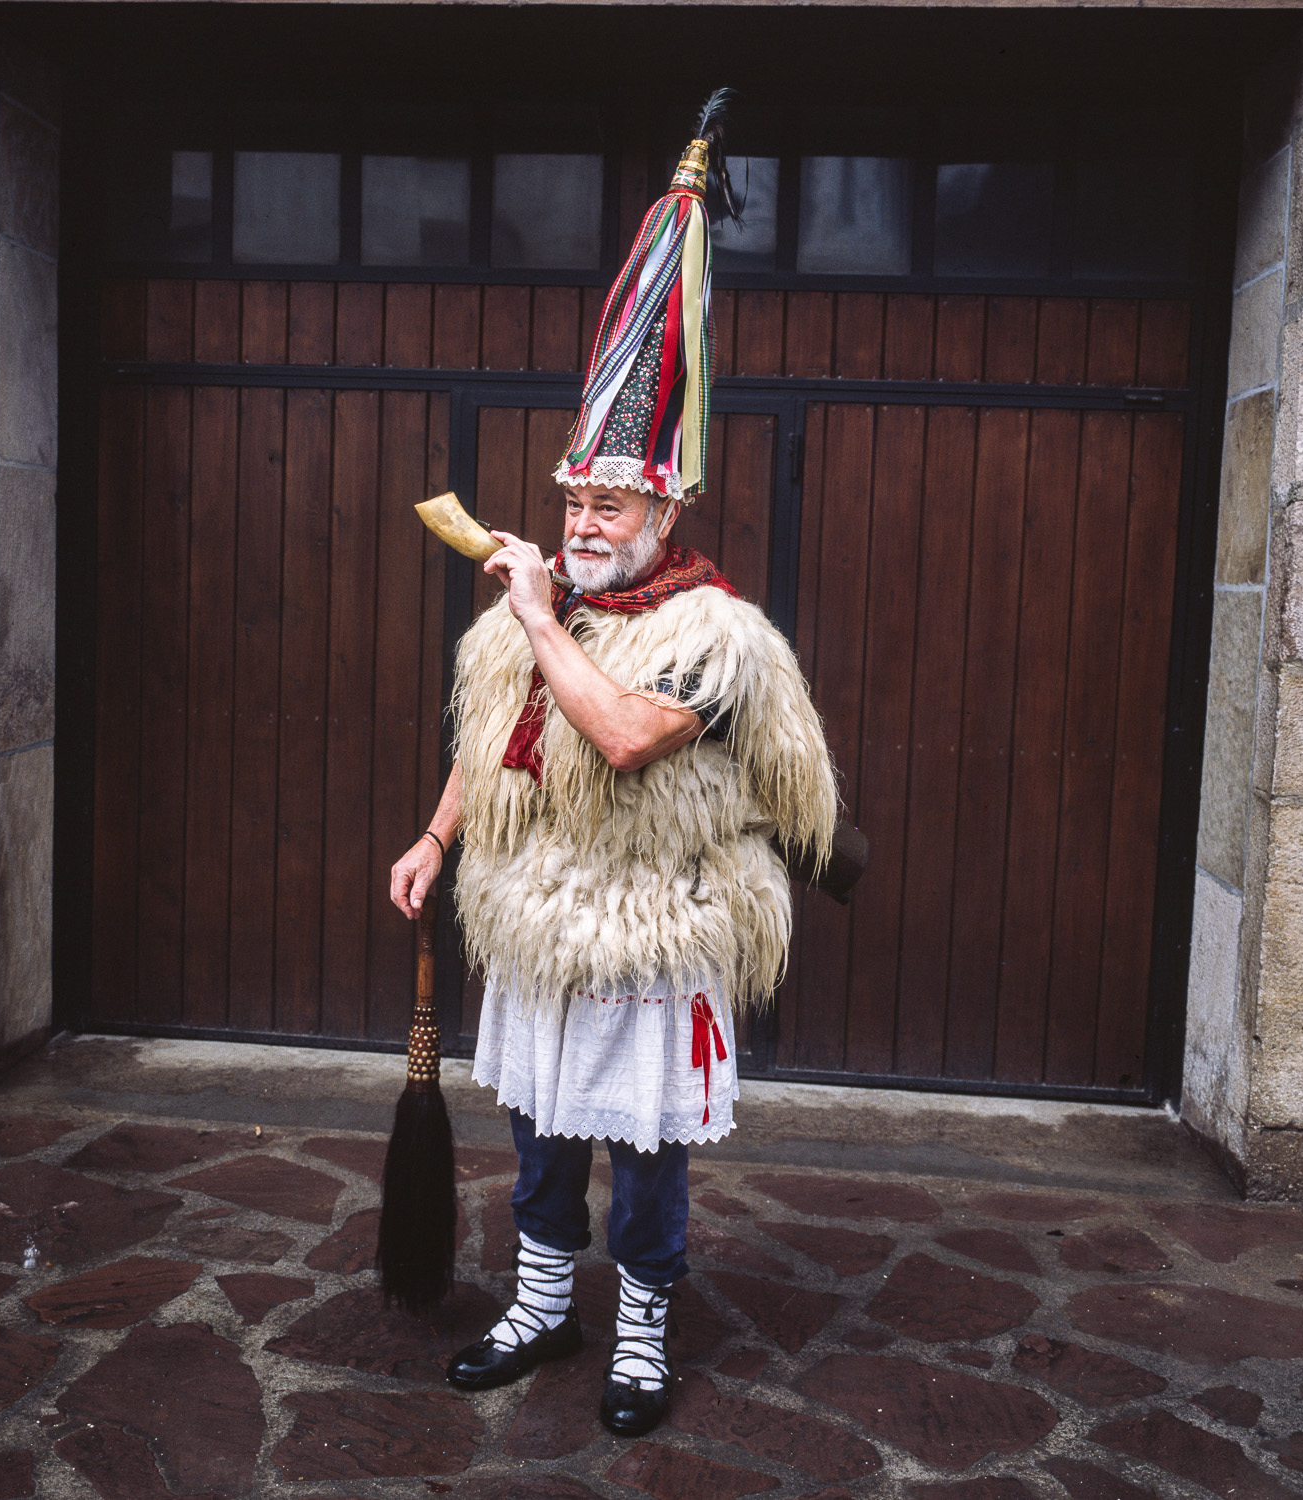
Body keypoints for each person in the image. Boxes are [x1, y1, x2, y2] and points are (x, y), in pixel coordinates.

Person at [390, 94, 837, 1437]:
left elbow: (626, 735)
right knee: (538, 1137)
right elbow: (494, 743)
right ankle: (540, 1303)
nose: (582, 522)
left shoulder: (720, 635)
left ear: (665, 510)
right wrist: (435, 838)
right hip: (539, 922)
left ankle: (641, 1323)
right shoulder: (533, 619)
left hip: (656, 930)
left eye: (610, 504)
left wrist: (536, 618)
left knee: (642, 1159)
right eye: (572, 499)